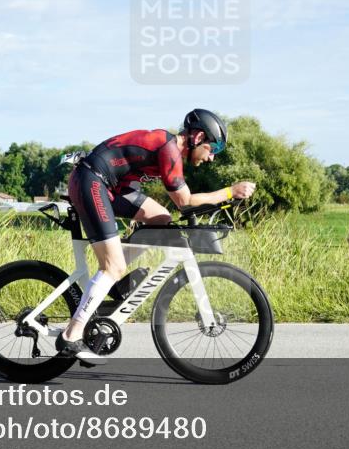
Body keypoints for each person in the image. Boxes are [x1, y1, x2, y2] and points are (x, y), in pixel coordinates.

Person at [58, 109, 256, 364]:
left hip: (111, 185)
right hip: (92, 181)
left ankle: (117, 283)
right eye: (212, 148)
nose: (212, 158)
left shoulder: (171, 150)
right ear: (197, 137)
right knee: (112, 266)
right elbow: (185, 202)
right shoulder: (169, 149)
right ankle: (71, 335)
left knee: (160, 218)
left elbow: (177, 206)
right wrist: (230, 192)